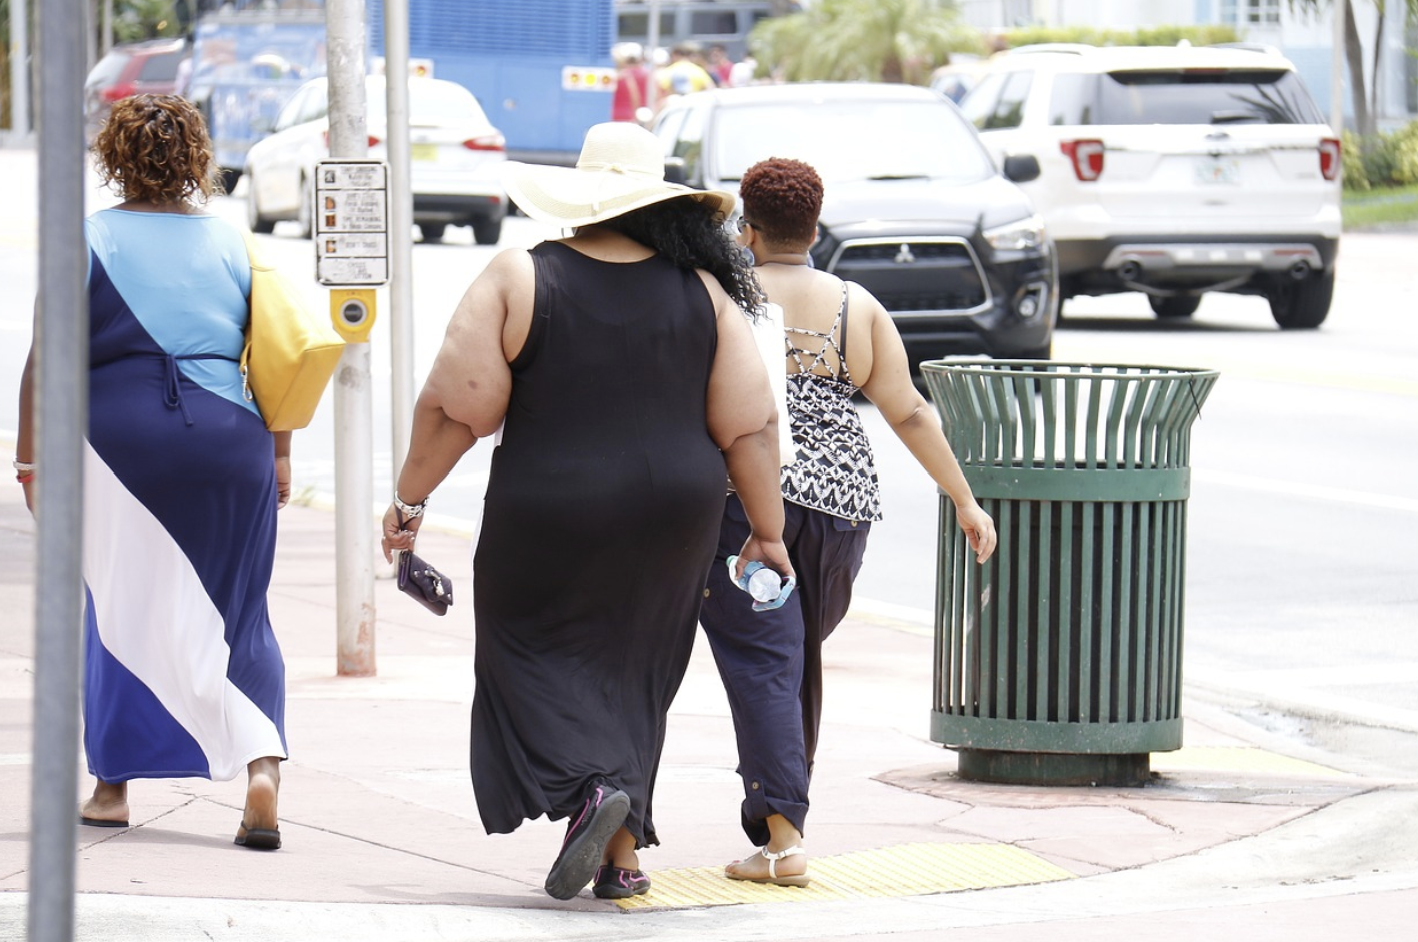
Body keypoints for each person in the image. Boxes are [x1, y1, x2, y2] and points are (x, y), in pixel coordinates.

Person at [378, 122, 791, 902]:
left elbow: (453, 409)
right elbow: (752, 425)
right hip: (676, 512)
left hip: (550, 506)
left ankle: (590, 794)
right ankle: (622, 854)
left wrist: (409, 499)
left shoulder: (523, 278)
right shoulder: (705, 292)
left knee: (522, 645)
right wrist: (766, 533)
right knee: (638, 664)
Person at [698, 157, 998, 887]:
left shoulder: (720, 295)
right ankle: (779, 828)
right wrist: (963, 497)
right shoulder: (853, 306)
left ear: (750, 225)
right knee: (794, 654)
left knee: (767, 662)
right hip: (840, 511)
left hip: (747, 502)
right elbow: (908, 410)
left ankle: (783, 836)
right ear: (817, 225)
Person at [15, 95, 289, 850]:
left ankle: (111, 790)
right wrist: (281, 454)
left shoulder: (88, 238)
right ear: (197, 159)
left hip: (119, 445)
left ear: (115, 158)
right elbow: (277, 356)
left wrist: (30, 459)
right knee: (241, 610)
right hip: (232, 437)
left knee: (119, 607)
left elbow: (47, 357)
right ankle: (262, 764)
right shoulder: (237, 244)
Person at [610, 42, 650, 123]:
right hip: (628, 116)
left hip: (611, 116)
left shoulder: (611, 77)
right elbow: (635, 97)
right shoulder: (646, 73)